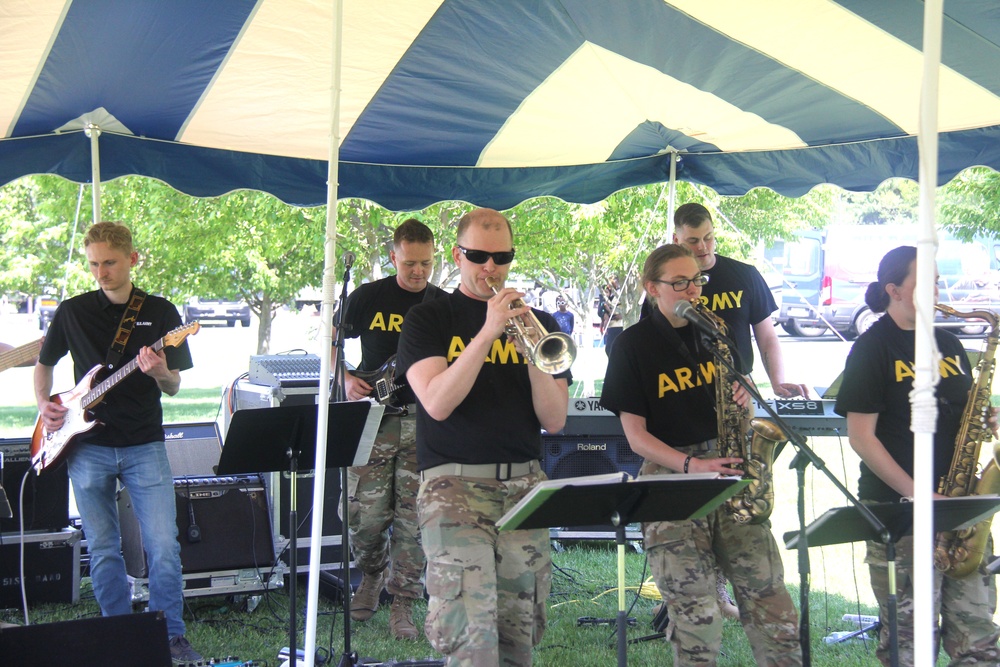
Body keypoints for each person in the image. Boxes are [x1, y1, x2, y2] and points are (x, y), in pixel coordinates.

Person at [601, 243, 801, 666]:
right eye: (679, 283)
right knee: (697, 616)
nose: (692, 291)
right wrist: (693, 465)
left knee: (773, 603)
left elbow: (743, 386)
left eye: (697, 281)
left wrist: (745, 394)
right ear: (651, 287)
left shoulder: (717, 330)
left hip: (730, 467)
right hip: (671, 478)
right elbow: (635, 437)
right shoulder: (631, 346)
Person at [396, 207, 571, 666]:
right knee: (471, 642)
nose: (490, 267)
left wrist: (532, 356)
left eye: (502, 256)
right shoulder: (427, 319)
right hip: (453, 489)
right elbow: (436, 401)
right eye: (478, 256)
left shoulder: (539, 324)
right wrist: (487, 334)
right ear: (457, 255)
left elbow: (555, 420)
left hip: (524, 487)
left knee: (518, 639)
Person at [33, 221, 200, 664]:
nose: (101, 272)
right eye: (94, 264)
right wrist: (43, 407)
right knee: (103, 547)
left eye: (109, 262)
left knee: (163, 545)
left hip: (144, 442)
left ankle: (171, 637)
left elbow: (174, 386)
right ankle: (117, 635)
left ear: (132, 259)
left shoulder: (162, 313)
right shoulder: (71, 310)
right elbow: (44, 365)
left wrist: (160, 371)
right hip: (85, 445)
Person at [834, 245, 1000, 666]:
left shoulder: (948, 342)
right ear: (895, 290)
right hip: (901, 511)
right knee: (909, 640)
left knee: (978, 633)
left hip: (960, 508)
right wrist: (918, 494)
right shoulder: (873, 349)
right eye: (925, 282)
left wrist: (988, 418)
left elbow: (964, 414)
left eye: (938, 280)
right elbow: (861, 437)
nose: (938, 289)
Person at [333, 218, 446, 639]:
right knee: (364, 516)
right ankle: (371, 576)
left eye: (426, 263)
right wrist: (343, 376)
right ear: (393, 256)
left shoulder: (442, 304)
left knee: (413, 519)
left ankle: (403, 602)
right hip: (372, 420)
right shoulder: (368, 297)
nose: (418, 271)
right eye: (410, 263)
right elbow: (330, 340)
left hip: (423, 422)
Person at [645, 202, 808, 398]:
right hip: (680, 389)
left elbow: (767, 336)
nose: (702, 247)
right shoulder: (663, 285)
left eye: (708, 237)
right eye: (693, 240)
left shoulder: (746, 275)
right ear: (676, 239)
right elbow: (649, 343)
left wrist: (778, 381)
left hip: (739, 388)